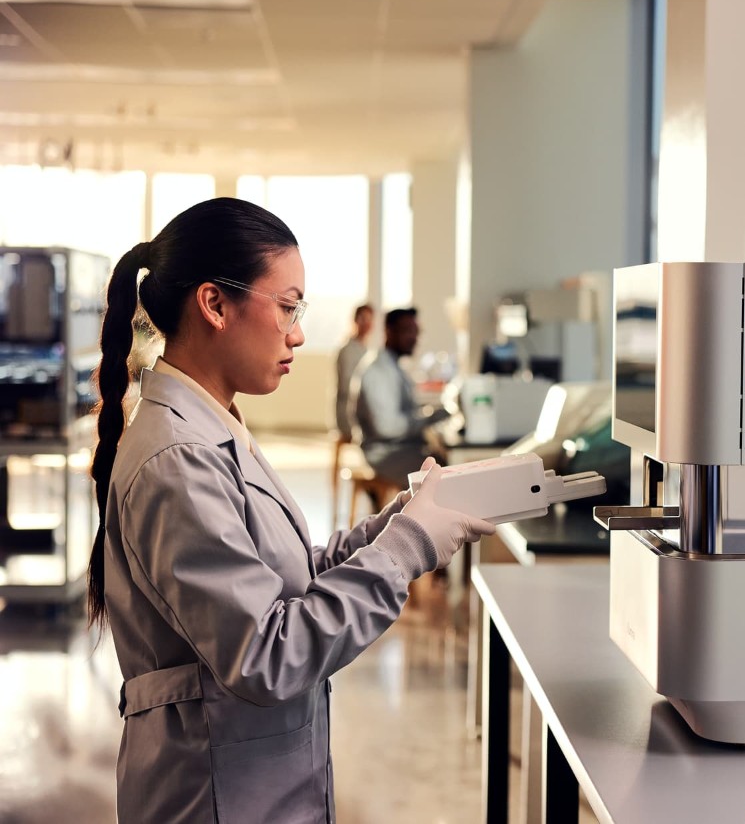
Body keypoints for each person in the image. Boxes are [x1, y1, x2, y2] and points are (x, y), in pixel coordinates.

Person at [86, 197, 495, 823]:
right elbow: (268, 655)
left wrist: (400, 521)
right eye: (287, 306)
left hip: (253, 784)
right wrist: (406, 547)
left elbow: (280, 572)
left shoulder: (212, 427)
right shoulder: (178, 458)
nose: (298, 332)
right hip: (213, 795)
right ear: (215, 304)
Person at [352, 307, 434, 484]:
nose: (413, 338)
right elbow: (387, 427)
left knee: (445, 466)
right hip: (385, 455)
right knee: (445, 474)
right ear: (388, 331)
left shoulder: (393, 365)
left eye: (415, 331)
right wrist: (428, 419)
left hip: (401, 448)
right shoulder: (378, 371)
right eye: (407, 331)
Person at [335, 302, 374, 440]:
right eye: (363, 318)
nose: (367, 323)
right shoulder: (347, 350)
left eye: (370, 319)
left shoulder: (366, 349)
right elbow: (348, 386)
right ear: (355, 320)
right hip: (349, 412)